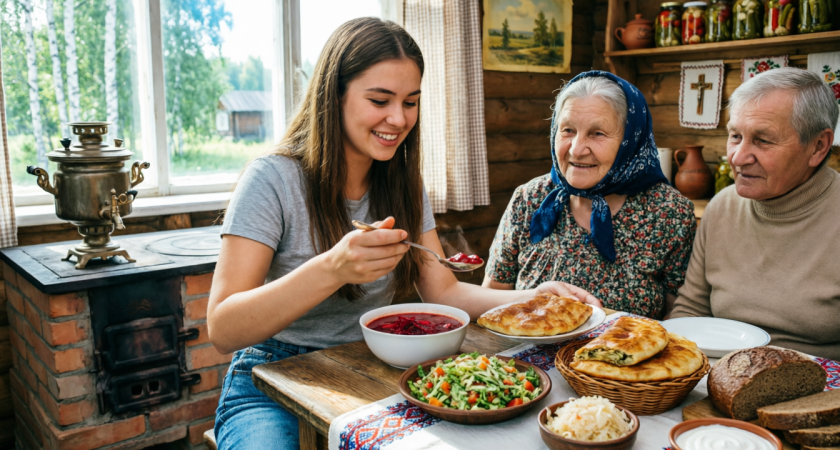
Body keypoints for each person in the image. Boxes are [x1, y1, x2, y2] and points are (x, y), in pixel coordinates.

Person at [209, 18, 599, 450]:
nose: (398, 118)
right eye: (380, 100)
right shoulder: (271, 180)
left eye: (410, 102)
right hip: (270, 373)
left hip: (373, 363)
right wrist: (333, 268)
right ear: (333, 95)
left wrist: (536, 297)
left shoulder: (403, 184)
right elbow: (224, 329)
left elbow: (446, 294)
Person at [484, 71, 697, 319]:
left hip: (628, 353)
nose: (576, 149)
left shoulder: (669, 212)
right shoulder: (529, 198)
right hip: (521, 355)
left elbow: (679, 316)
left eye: (597, 133)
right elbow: (492, 300)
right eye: (568, 130)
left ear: (630, 141)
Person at [670, 67, 840, 360]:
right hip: (719, 374)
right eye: (735, 136)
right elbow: (691, 310)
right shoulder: (722, 207)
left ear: (818, 146)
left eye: (763, 140)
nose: (737, 157)